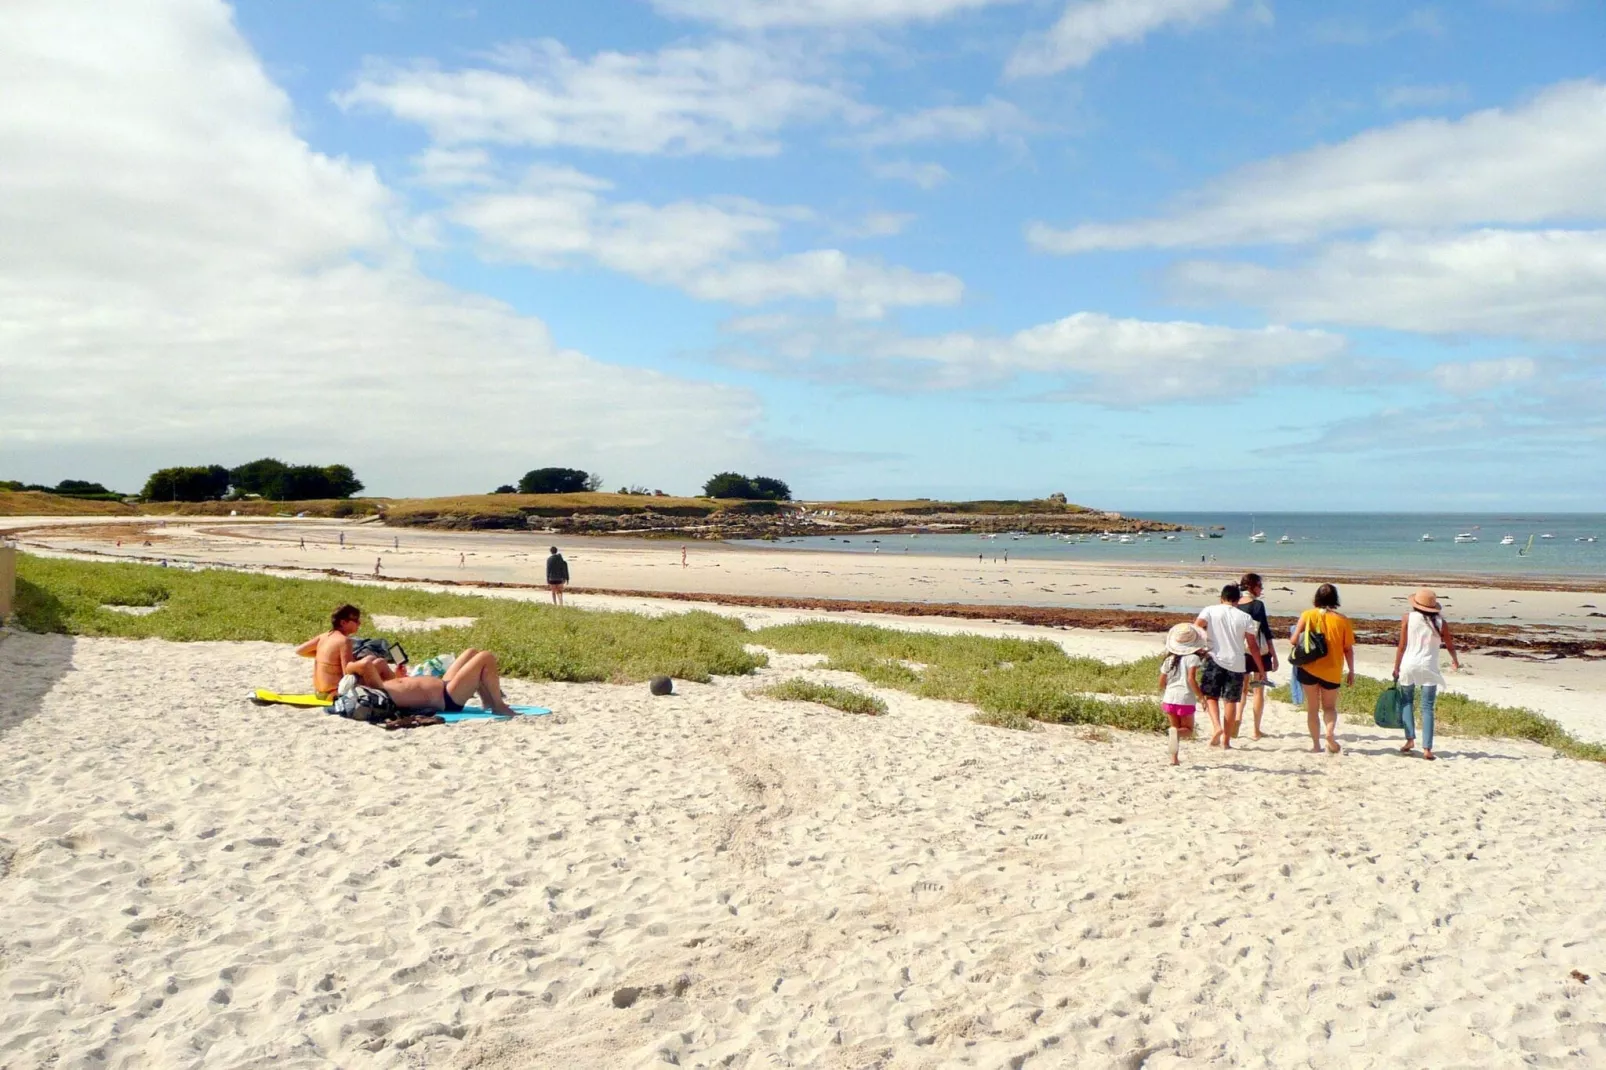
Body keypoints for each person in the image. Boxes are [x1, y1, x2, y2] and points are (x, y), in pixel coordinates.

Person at [1392, 587, 1462, 761]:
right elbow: (1450, 645)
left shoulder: (1407, 618)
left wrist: (1396, 666)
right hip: (1429, 666)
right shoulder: (1441, 623)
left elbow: (1402, 645)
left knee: (1407, 702)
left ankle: (1409, 740)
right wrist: (1455, 660)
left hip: (1409, 664)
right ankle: (1427, 749)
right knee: (1427, 707)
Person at [1194, 584, 1265, 748]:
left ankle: (1217, 727)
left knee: (1211, 696)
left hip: (1214, 658)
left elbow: (1196, 627)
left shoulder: (1210, 610)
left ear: (1221, 598)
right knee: (1231, 701)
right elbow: (1253, 645)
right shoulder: (1245, 617)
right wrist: (1260, 669)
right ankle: (1226, 741)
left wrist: (1202, 645)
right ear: (1238, 600)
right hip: (1237, 663)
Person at [1292, 583, 1356, 754]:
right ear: (1335, 599)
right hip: (1332, 669)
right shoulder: (1342, 620)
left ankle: (1315, 745)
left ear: (1317, 598)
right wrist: (1351, 671)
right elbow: (1348, 649)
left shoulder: (1307, 615)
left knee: (1312, 708)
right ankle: (1329, 733)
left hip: (1308, 667)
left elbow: (1293, 640)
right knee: (1329, 707)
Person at [295, 604, 394, 697]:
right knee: (379, 662)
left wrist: (329, 657)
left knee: (372, 661)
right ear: (343, 622)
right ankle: (398, 687)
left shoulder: (324, 636)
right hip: (335, 692)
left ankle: (394, 686)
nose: (359, 623)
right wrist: (364, 662)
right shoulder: (344, 641)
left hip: (320, 691)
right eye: (356, 620)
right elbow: (347, 672)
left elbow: (300, 650)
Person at [379, 648, 516, 716]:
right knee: (486, 656)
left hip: (443, 686)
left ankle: (487, 701)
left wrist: (399, 676)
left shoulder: (379, 686)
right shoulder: (375, 692)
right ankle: (498, 705)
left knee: (471, 652)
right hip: (447, 698)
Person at [1236, 572, 1279, 739]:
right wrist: (1273, 655)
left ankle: (1238, 718)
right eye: (1260, 586)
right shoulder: (1257, 605)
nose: (1261, 589)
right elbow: (1266, 631)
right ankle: (1255, 730)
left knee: (1242, 689)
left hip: (1240, 650)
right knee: (1258, 689)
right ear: (1252, 587)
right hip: (1257, 650)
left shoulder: (1235, 604)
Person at [1158, 623, 1207, 765]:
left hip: (1169, 698)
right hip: (1184, 697)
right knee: (1188, 730)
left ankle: (1174, 759)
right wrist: (1201, 697)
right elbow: (1191, 679)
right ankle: (1175, 741)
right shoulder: (1193, 658)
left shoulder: (1169, 659)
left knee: (1174, 728)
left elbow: (1161, 681)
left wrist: (1165, 690)